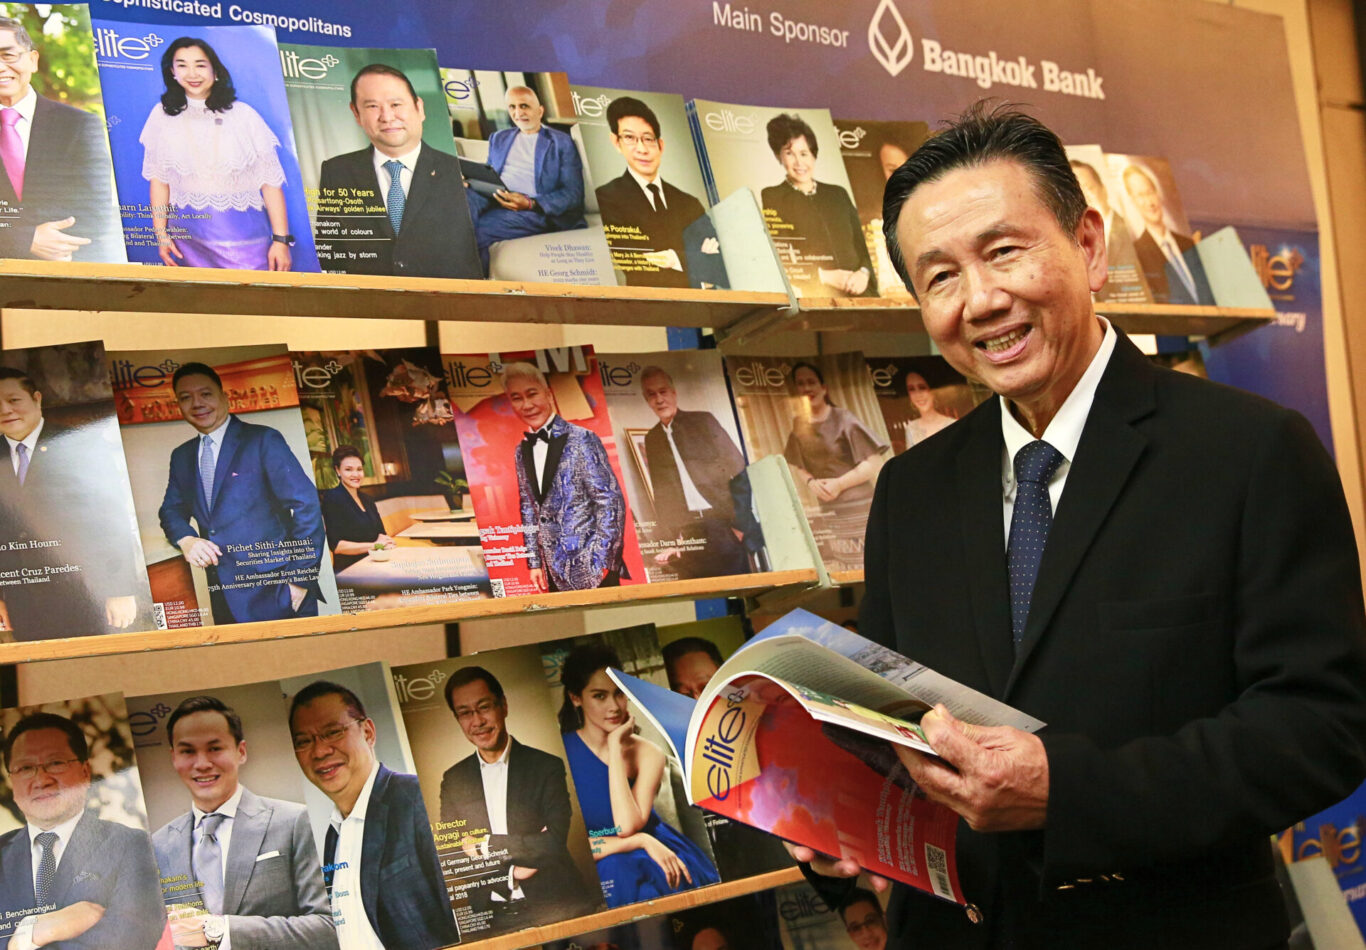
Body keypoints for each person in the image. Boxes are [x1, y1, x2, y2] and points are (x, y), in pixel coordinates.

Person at [795, 102, 1366, 948]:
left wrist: (1068, 791)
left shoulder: (1249, 451)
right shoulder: (910, 490)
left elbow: (1323, 727)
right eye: (940, 277)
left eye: (1003, 252)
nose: (981, 300)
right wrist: (835, 817)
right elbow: (891, 725)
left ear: (1090, 246)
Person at [152, 695, 337, 950]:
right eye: (188, 751)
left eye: (215, 748)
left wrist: (220, 931)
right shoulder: (158, 844)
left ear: (241, 751)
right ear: (174, 757)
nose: (202, 764)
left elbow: (328, 926)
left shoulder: (295, 821)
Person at [288, 681, 458, 950]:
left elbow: (466, 917)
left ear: (367, 732)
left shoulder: (417, 798)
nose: (320, 751)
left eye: (333, 732)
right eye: (304, 742)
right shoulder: (333, 836)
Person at [158, 362, 326, 624]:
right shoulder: (181, 456)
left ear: (224, 397)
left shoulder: (263, 440)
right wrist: (186, 539)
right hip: (223, 595)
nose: (197, 403)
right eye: (186, 397)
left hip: (277, 592)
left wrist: (299, 580)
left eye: (206, 394)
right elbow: (170, 510)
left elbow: (308, 505)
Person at [556, 642, 720, 908]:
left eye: (619, 693)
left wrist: (615, 747)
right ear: (576, 698)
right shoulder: (559, 754)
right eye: (599, 696)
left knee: (642, 880)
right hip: (620, 856)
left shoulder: (647, 753)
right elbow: (574, 847)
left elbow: (625, 826)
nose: (614, 706)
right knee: (615, 870)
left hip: (658, 854)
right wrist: (641, 841)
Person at [438, 666, 597, 926]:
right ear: (458, 719)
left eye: (484, 707)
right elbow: (452, 855)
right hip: (491, 913)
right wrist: (511, 874)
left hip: (557, 904)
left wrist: (486, 844)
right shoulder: (453, 779)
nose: (477, 721)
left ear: (503, 705)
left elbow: (553, 841)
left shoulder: (547, 766)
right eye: (465, 713)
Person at [0, 365, 144, 640]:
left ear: (36, 399)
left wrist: (120, 589)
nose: (6, 410)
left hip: (86, 594)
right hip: (22, 602)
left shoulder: (80, 444)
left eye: (14, 399)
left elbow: (110, 519)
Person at [0, 712, 165, 950]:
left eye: (55, 763)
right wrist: (32, 933)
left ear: (85, 772)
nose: (41, 780)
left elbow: (131, 938)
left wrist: (20, 941)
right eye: (25, 767)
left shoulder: (134, 845)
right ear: (11, 782)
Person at [141, 37, 294, 271]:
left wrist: (281, 241)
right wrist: (161, 235)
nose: (192, 73)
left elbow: (270, 183)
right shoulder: (161, 115)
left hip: (243, 238)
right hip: (187, 242)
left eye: (200, 65)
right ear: (172, 72)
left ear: (215, 70)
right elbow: (159, 182)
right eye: (182, 65)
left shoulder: (244, 115)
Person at [316, 64, 481, 278]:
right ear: (356, 113)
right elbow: (330, 252)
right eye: (372, 106)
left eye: (395, 104)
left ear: (419, 108)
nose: (386, 117)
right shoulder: (336, 171)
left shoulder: (458, 172)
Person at [0, 16, 122, 262]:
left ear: (33, 60)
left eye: (8, 55)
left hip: (66, 271)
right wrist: (26, 239)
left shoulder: (79, 125)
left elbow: (94, 213)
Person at [504, 361, 627, 592]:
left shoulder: (582, 439)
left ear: (549, 394)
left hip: (592, 570)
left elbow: (610, 501)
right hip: (551, 571)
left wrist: (603, 561)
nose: (527, 405)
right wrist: (534, 563)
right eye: (517, 398)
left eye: (532, 394)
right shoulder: (521, 451)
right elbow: (528, 507)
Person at [639, 365, 749, 579]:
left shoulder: (703, 421)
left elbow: (739, 469)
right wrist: (672, 539)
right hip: (688, 532)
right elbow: (662, 494)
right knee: (699, 587)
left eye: (663, 391)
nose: (659, 399)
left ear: (673, 393)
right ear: (647, 400)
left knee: (737, 586)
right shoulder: (652, 439)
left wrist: (740, 526)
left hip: (722, 525)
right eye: (651, 394)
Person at [593, 97, 711, 289]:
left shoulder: (689, 202)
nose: (642, 149)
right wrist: (694, 262)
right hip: (648, 304)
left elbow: (717, 263)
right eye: (629, 138)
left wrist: (672, 259)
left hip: (701, 303)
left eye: (648, 139)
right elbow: (637, 267)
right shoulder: (606, 198)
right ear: (616, 142)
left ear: (661, 145)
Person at [782, 361, 888, 567]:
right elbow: (797, 464)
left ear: (824, 388)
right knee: (844, 565)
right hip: (831, 512)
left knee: (873, 563)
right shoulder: (798, 424)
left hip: (861, 509)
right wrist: (811, 482)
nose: (806, 388)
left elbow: (874, 462)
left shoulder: (843, 418)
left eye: (811, 382)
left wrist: (839, 484)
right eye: (800, 383)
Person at [469, 85, 586, 272]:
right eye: (512, 107)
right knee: (456, 208)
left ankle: (473, 284)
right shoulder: (498, 138)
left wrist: (531, 203)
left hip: (532, 209)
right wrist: (472, 181)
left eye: (524, 106)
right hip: (493, 196)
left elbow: (573, 194)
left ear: (540, 111)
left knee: (475, 231)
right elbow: (489, 172)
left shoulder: (561, 142)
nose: (518, 113)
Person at [759, 113, 872, 298]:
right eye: (789, 153)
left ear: (814, 155)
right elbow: (782, 258)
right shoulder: (773, 196)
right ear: (779, 157)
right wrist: (824, 277)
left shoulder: (838, 193)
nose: (799, 162)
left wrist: (864, 273)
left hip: (863, 293)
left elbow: (863, 246)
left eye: (804, 153)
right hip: (818, 297)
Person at [1121, 162, 1215, 305]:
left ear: (1158, 193)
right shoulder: (1136, 254)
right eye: (1140, 195)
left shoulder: (1188, 244)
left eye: (1150, 192)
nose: (1149, 202)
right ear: (1132, 201)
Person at [1068, 158, 1143, 300]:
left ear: (1103, 190)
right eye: (1076, 193)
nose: (1084, 198)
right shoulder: (1067, 242)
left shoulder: (1133, 232)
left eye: (1089, 188)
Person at [318, 445, 393, 574]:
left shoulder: (367, 499)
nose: (356, 474)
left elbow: (381, 534)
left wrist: (387, 542)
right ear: (338, 471)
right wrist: (375, 545)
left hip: (374, 563)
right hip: (350, 570)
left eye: (359, 469)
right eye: (348, 469)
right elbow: (337, 546)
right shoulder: (332, 498)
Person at [899, 371, 956, 449]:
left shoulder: (952, 424)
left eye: (922, 387)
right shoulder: (911, 429)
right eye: (911, 389)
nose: (918, 394)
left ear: (933, 391)